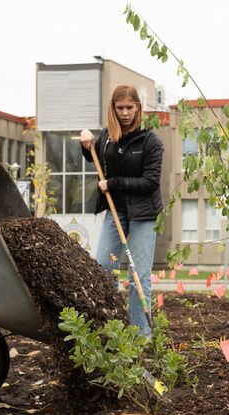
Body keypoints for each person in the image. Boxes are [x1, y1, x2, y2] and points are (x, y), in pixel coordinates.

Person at [79, 85, 164, 336]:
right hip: (116, 212)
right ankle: (110, 329)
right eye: (120, 108)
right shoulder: (107, 137)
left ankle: (141, 336)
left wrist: (114, 183)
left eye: (130, 107)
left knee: (138, 274)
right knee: (105, 268)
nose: (125, 113)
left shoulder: (150, 141)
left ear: (138, 108)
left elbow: (150, 182)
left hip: (143, 215)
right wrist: (86, 142)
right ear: (113, 109)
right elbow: (95, 156)